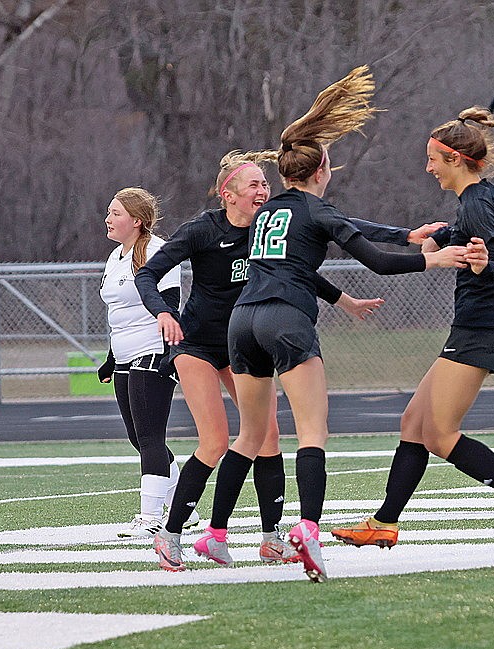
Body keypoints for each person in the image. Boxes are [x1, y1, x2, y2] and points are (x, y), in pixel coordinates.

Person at [192, 65, 470, 583]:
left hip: (241, 321)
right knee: (312, 432)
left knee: (249, 435)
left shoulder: (268, 210)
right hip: (285, 320)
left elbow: (347, 228)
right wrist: (436, 257)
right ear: (321, 169)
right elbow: (373, 258)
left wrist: (406, 234)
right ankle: (309, 532)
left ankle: (214, 534)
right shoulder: (317, 213)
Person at [137, 150, 443, 571]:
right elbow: (147, 274)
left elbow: (309, 261)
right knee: (216, 441)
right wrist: (164, 312)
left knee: (267, 436)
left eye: (266, 183)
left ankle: (268, 537)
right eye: (253, 186)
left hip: (241, 337)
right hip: (199, 345)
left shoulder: (266, 225)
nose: (263, 190)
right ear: (228, 195)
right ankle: (170, 537)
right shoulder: (203, 230)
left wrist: (350, 295)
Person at [330, 85, 494, 552]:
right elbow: (478, 239)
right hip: (474, 324)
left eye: (433, 159)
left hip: (484, 326)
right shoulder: (479, 198)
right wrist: (445, 236)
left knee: (438, 433)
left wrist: (480, 261)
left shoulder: (476, 201)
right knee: (413, 422)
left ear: (453, 159)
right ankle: (385, 523)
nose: (428, 167)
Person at [99, 187, 187, 538]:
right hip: (124, 354)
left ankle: (150, 518)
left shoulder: (156, 252)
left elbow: (170, 304)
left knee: (151, 436)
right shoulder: (115, 256)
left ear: (136, 220)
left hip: (153, 351)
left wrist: (169, 354)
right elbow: (118, 312)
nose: (108, 219)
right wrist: (110, 358)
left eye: (116, 213)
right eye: (109, 212)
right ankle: (182, 501)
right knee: (138, 437)